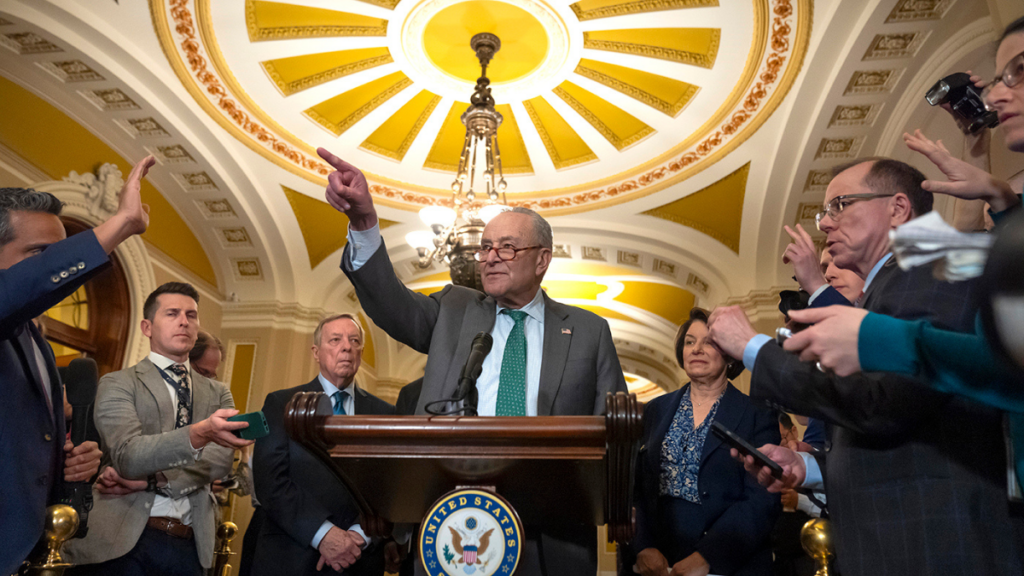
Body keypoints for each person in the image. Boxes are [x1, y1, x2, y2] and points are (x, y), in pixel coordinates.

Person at [318, 148, 627, 575]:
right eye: (485, 247)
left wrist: (617, 504)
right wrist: (364, 224)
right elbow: (392, 305)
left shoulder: (589, 331)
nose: (490, 256)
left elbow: (615, 432)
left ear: (542, 259)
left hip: (554, 533)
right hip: (452, 519)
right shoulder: (456, 309)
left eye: (507, 247)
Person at [708, 157, 1024, 576]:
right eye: (825, 212)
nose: (825, 223)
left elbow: (885, 401)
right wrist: (809, 467)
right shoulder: (892, 286)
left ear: (898, 208)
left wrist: (753, 347)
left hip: (934, 543)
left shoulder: (927, 271)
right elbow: (896, 430)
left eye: (840, 205)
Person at [773, 15, 1024, 488]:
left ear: (897, 209)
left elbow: (958, 260)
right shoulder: (925, 258)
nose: (996, 95)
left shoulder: (918, 269)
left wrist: (860, 325)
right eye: (998, 78)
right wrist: (991, 176)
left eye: (1020, 71)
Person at [0, 156, 155, 575]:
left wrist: (69, 461)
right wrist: (121, 223)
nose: (58, 268)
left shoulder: (34, 340)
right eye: (40, 255)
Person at [64, 282, 252, 576]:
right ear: (147, 327)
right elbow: (128, 455)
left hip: (189, 544)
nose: (184, 321)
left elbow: (220, 460)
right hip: (121, 542)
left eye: (191, 315)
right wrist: (197, 435)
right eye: (172, 313)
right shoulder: (118, 383)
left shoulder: (218, 393)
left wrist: (152, 481)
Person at [633, 309, 780, 576]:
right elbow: (636, 489)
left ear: (729, 355)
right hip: (659, 561)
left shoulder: (757, 413)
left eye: (709, 342)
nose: (696, 349)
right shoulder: (654, 409)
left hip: (729, 561)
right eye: (690, 342)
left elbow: (762, 498)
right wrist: (643, 546)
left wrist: (709, 557)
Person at [251, 313, 395, 576]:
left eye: (354, 340)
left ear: (361, 352)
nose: (347, 347)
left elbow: (392, 486)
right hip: (292, 557)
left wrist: (359, 536)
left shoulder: (386, 413)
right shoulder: (281, 404)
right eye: (335, 340)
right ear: (316, 352)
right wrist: (323, 534)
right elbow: (270, 482)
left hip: (359, 559)